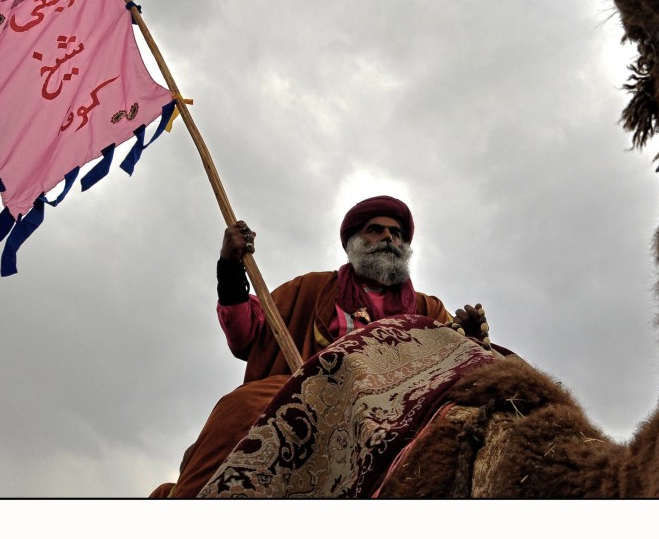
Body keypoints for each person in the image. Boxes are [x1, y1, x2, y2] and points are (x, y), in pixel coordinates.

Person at [150, 195, 487, 498]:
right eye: (376, 230)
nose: (389, 238)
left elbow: (452, 374)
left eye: (397, 234)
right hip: (315, 399)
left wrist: (468, 340)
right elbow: (247, 334)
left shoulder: (428, 309)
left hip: (402, 413)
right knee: (243, 406)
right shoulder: (311, 289)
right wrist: (230, 268)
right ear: (354, 242)